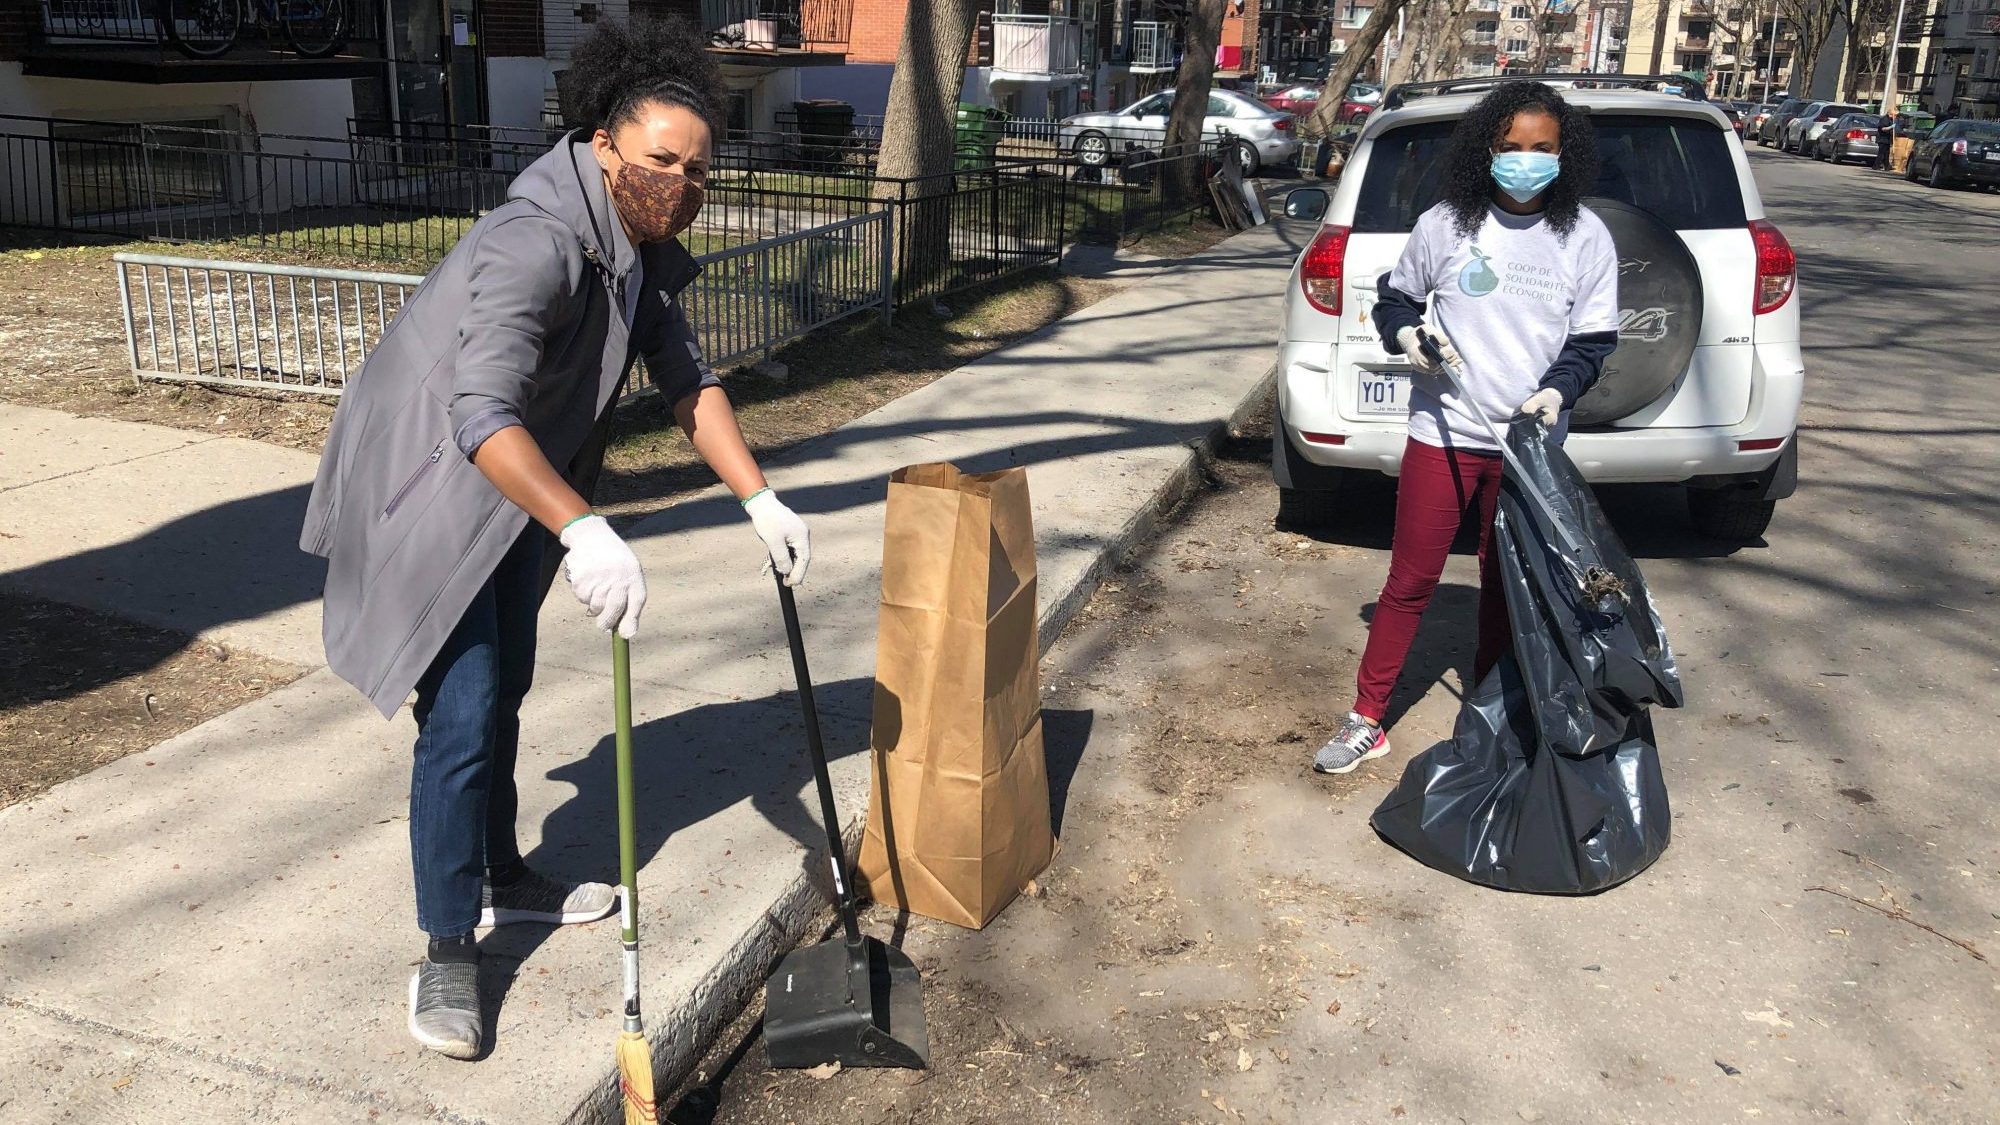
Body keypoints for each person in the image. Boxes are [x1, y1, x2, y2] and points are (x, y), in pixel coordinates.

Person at [299, 17, 812, 1059]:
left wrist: (758, 497)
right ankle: (450, 945)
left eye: (697, 170)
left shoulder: (635, 247)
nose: (680, 184)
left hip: (519, 486)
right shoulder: (532, 241)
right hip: (436, 485)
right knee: (462, 710)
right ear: (606, 144)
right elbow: (480, 411)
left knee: (507, 684)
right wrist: (583, 527)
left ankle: (499, 871)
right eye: (662, 160)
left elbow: (686, 377)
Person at [1312, 81, 1619, 775]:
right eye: (1511, 146)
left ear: (1564, 154)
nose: (1525, 160)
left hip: (1528, 445)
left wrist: (1557, 390)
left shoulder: (1585, 237)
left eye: (1541, 148)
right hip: (1444, 432)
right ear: (1487, 148)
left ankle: (1494, 716)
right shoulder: (1447, 223)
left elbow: (1593, 340)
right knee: (1410, 578)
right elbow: (1396, 299)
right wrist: (1407, 337)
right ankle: (1367, 717)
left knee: (1506, 585)